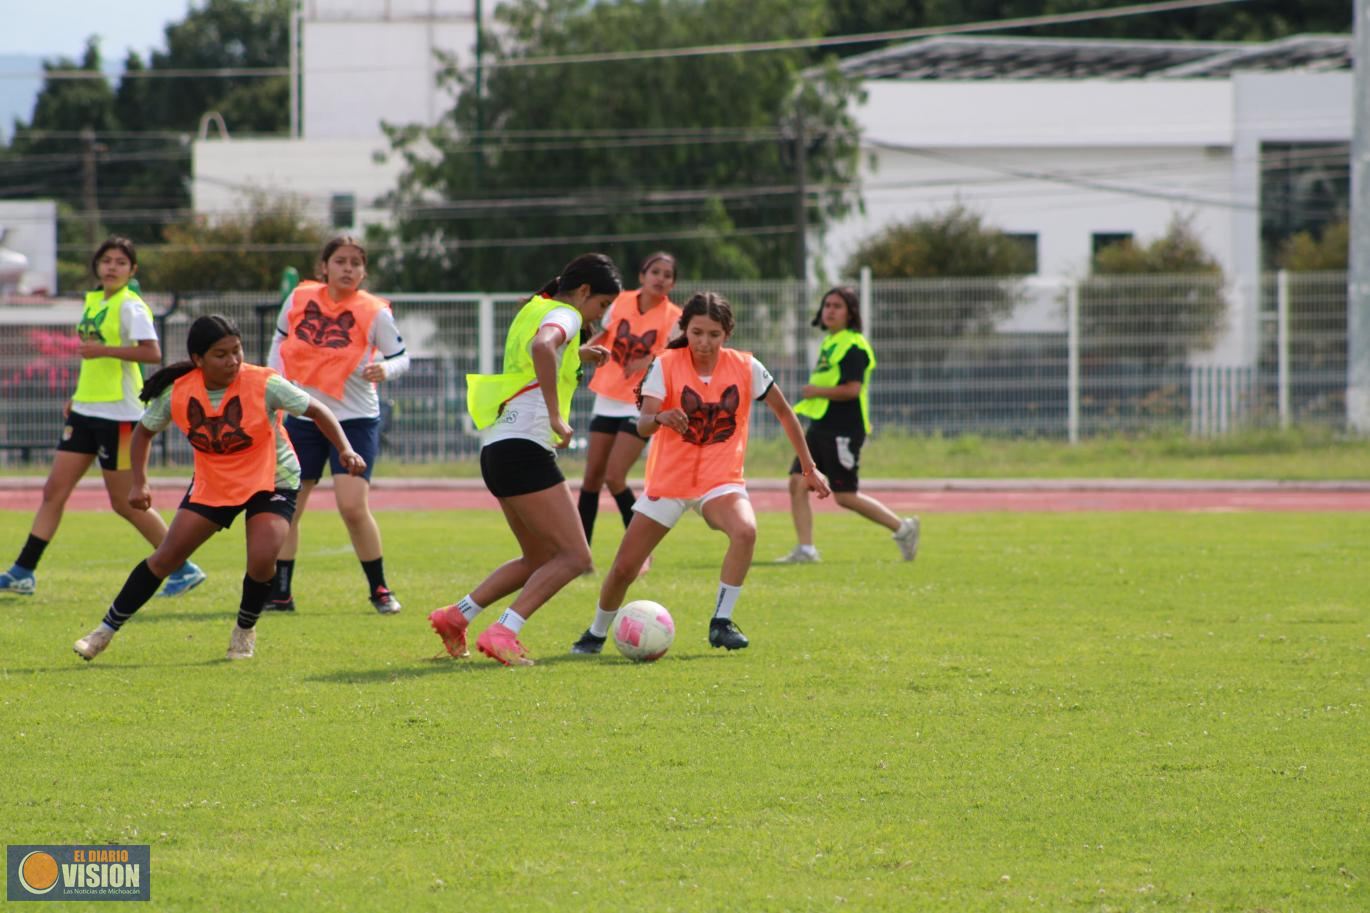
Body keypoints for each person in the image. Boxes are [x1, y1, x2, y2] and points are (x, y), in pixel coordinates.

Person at [72, 315, 365, 662]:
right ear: (198, 359)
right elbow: (143, 433)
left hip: (273, 478)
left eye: (236, 351)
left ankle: (244, 630)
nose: (233, 361)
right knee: (166, 557)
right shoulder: (180, 391)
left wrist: (345, 448)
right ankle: (102, 632)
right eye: (220, 354)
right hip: (215, 484)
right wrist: (140, 481)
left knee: (262, 557)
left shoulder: (264, 382)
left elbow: (318, 410)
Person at [569, 292, 832, 655]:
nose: (704, 342)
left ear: (727, 333)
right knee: (624, 569)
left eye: (713, 334)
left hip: (719, 481)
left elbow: (785, 413)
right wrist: (660, 418)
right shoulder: (665, 363)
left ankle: (721, 622)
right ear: (685, 330)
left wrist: (809, 467)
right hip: (668, 482)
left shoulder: (746, 366)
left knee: (746, 530)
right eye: (696, 333)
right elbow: (643, 424)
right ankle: (596, 634)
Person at [428, 253, 622, 666]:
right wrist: (555, 414)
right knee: (575, 557)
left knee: (537, 558)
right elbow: (542, 346)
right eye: (602, 305)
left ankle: (454, 616)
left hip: (497, 447)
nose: (601, 317)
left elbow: (534, 354)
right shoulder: (565, 314)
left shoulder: (534, 308)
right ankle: (504, 631)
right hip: (524, 447)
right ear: (584, 292)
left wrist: (579, 355)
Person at [0, 237, 206, 598]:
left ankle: (183, 567)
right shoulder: (95, 301)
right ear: (97, 265)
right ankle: (23, 571)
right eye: (106, 260)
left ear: (132, 270)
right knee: (53, 491)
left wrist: (104, 350)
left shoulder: (131, 306)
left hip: (120, 416)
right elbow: (92, 360)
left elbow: (152, 352)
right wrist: (78, 397)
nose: (112, 267)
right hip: (86, 410)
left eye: (121, 262)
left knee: (124, 503)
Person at [265, 235, 410, 615]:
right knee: (288, 507)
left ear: (363, 272)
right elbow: (279, 345)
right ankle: (280, 594)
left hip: (355, 420)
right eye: (340, 261)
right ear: (323, 267)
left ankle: (379, 589)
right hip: (304, 416)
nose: (348, 268)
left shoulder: (374, 311)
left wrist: (385, 368)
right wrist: (273, 388)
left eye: (356, 263)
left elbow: (402, 357)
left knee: (351, 507)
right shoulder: (298, 299)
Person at [775, 286, 920, 565]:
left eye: (837, 306)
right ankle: (806, 550)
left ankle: (903, 528)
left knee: (844, 496)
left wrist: (816, 391)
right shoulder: (832, 342)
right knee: (797, 482)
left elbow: (853, 390)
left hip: (843, 430)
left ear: (850, 312)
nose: (829, 310)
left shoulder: (854, 345)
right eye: (827, 305)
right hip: (821, 427)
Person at [577, 252, 680, 570]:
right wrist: (581, 352)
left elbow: (674, 354)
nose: (660, 278)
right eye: (655, 271)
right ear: (642, 275)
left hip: (640, 401)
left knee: (615, 476)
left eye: (667, 274)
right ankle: (579, 556)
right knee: (592, 478)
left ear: (673, 283)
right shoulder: (619, 301)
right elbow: (602, 335)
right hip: (607, 395)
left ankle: (641, 553)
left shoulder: (673, 316)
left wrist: (648, 361)